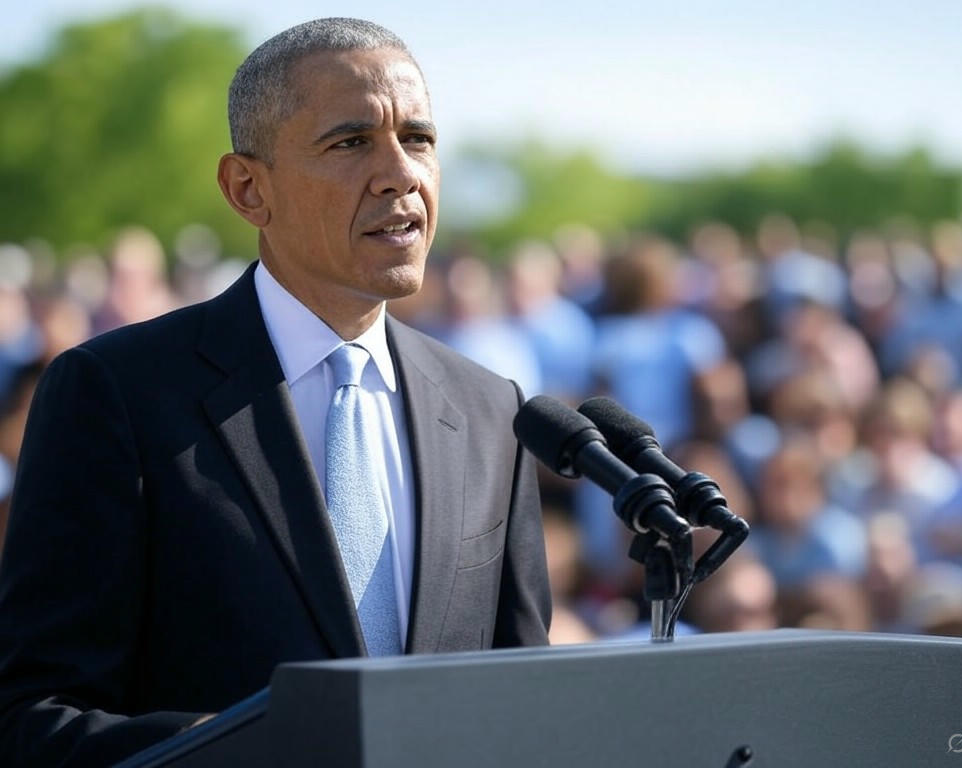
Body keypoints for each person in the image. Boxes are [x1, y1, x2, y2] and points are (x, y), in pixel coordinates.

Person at [0, 18, 551, 767]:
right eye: (351, 142)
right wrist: (245, 749)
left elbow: (526, 696)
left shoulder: (492, 409)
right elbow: (34, 717)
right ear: (248, 188)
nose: (400, 174)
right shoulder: (117, 393)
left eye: (418, 138)